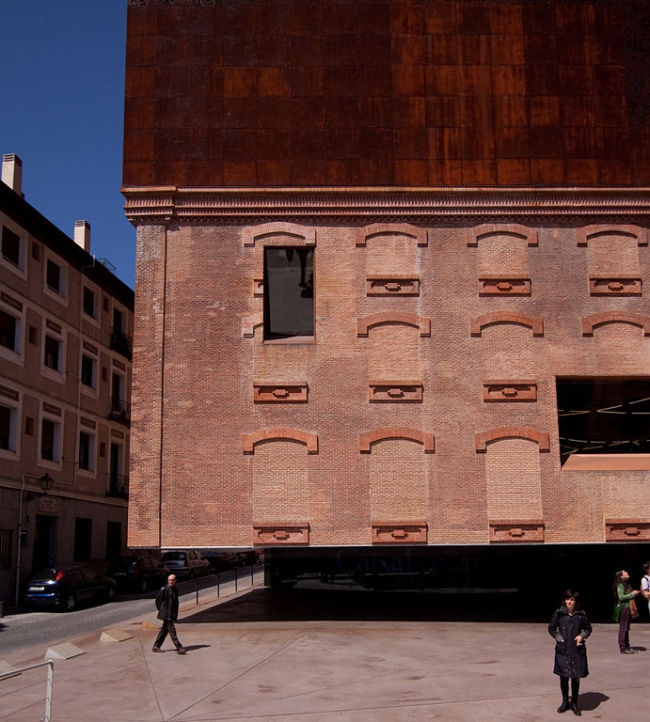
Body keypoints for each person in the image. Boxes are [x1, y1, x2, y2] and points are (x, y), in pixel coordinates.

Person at [548, 590, 591, 716]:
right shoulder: (559, 613)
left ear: (575, 601)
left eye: (572, 599)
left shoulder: (581, 614)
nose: (569, 602)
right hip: (563, 649)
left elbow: (588, 628)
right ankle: (565, 701)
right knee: (563, 676)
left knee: (575, 677)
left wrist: (581, 636)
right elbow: (551, 628)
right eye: (567, 599)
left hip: (576, 649)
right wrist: (558, 637)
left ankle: (575, 703)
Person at [152, 574, 186, 654]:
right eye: (169, 580)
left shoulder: (175, 590)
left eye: (172, 580)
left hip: (171, 613)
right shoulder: (164, 589)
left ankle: (156, 646)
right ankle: (178, 646)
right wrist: (162, 610)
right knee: (172, 629)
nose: (170, 581)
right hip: (166, 614)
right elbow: (158, 601)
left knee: (164, 630)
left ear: (175, 581)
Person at [613, 569, 640, 654]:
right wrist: (633, 594)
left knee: (627, 628)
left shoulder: (626, 584)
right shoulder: (620, 585)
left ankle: (627, 645)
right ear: (621, 576)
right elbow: (621, 597)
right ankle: (623, 647)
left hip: (628, 608)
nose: (627, 573)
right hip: (624, 608)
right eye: (625, 573)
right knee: (623, 628)